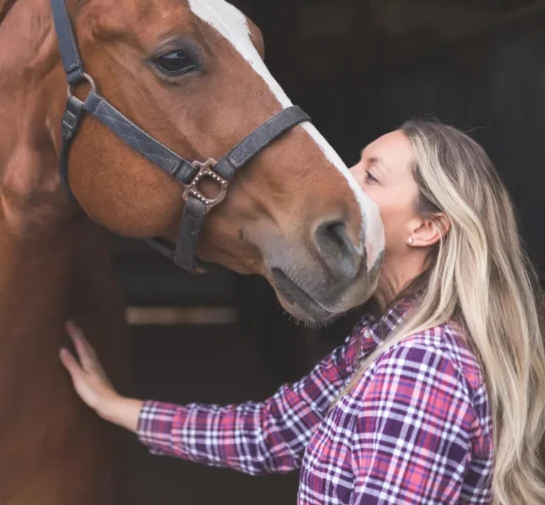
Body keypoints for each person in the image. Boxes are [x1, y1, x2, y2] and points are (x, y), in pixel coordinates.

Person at [60, 120, 545, 505]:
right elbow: (270, 432)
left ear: (426, 229)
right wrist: (117, 407)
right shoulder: (381, 341)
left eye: (370, 174)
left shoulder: (419, 367)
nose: (343, 177)